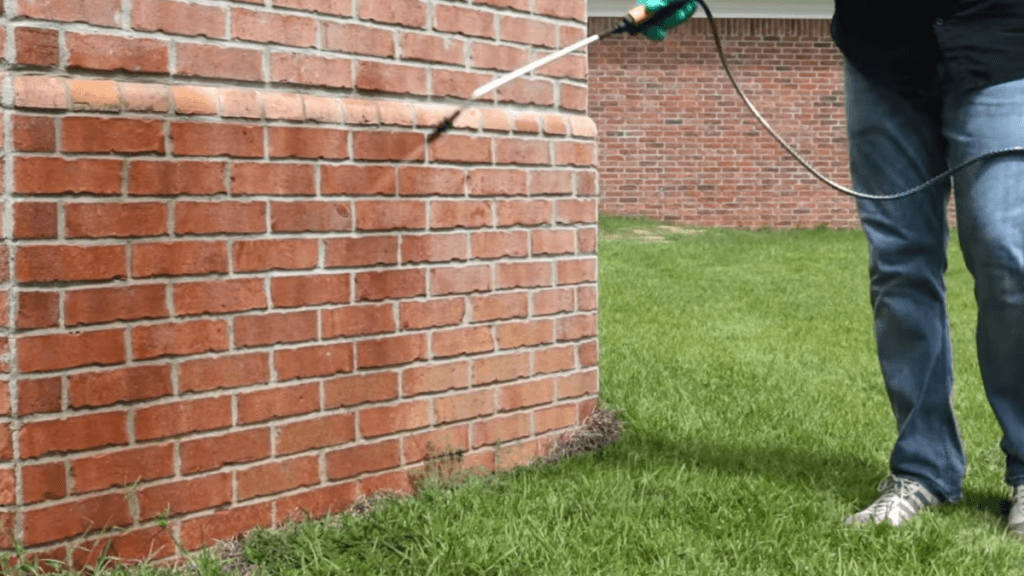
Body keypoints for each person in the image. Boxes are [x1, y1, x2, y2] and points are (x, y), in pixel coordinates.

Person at [636, 0, 1024, 535]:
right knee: (898, 263)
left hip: (1002, 39)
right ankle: (923, 469)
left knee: (1008, 250)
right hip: (881, 47)